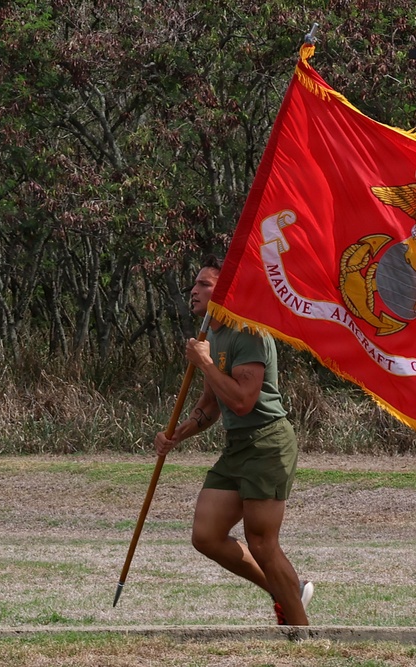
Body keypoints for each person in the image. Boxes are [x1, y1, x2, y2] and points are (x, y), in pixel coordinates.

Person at [154, 254, 313, 626]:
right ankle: (288, 590)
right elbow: (211, 406)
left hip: (267, 442)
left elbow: (243, 401)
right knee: (206, 535)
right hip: (236, 446)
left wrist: (205, 363)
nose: (193, 291)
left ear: (225, 291)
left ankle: (301, 632)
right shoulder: (212, 335)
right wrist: (175, 436)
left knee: (261, 542)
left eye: (204, 285)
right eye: (193, 284)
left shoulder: (248, 332)